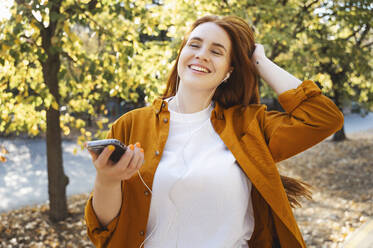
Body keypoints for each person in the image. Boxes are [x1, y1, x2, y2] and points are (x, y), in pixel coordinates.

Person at [84, 15, 344, 248]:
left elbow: (323, 118)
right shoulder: (131, 125)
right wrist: (107, 179)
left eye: (217, 51)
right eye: (194, 45)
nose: (202, 55)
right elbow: (106, 229)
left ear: (229, 71)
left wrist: (260, 61)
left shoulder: (248, 125)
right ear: (181, 54)